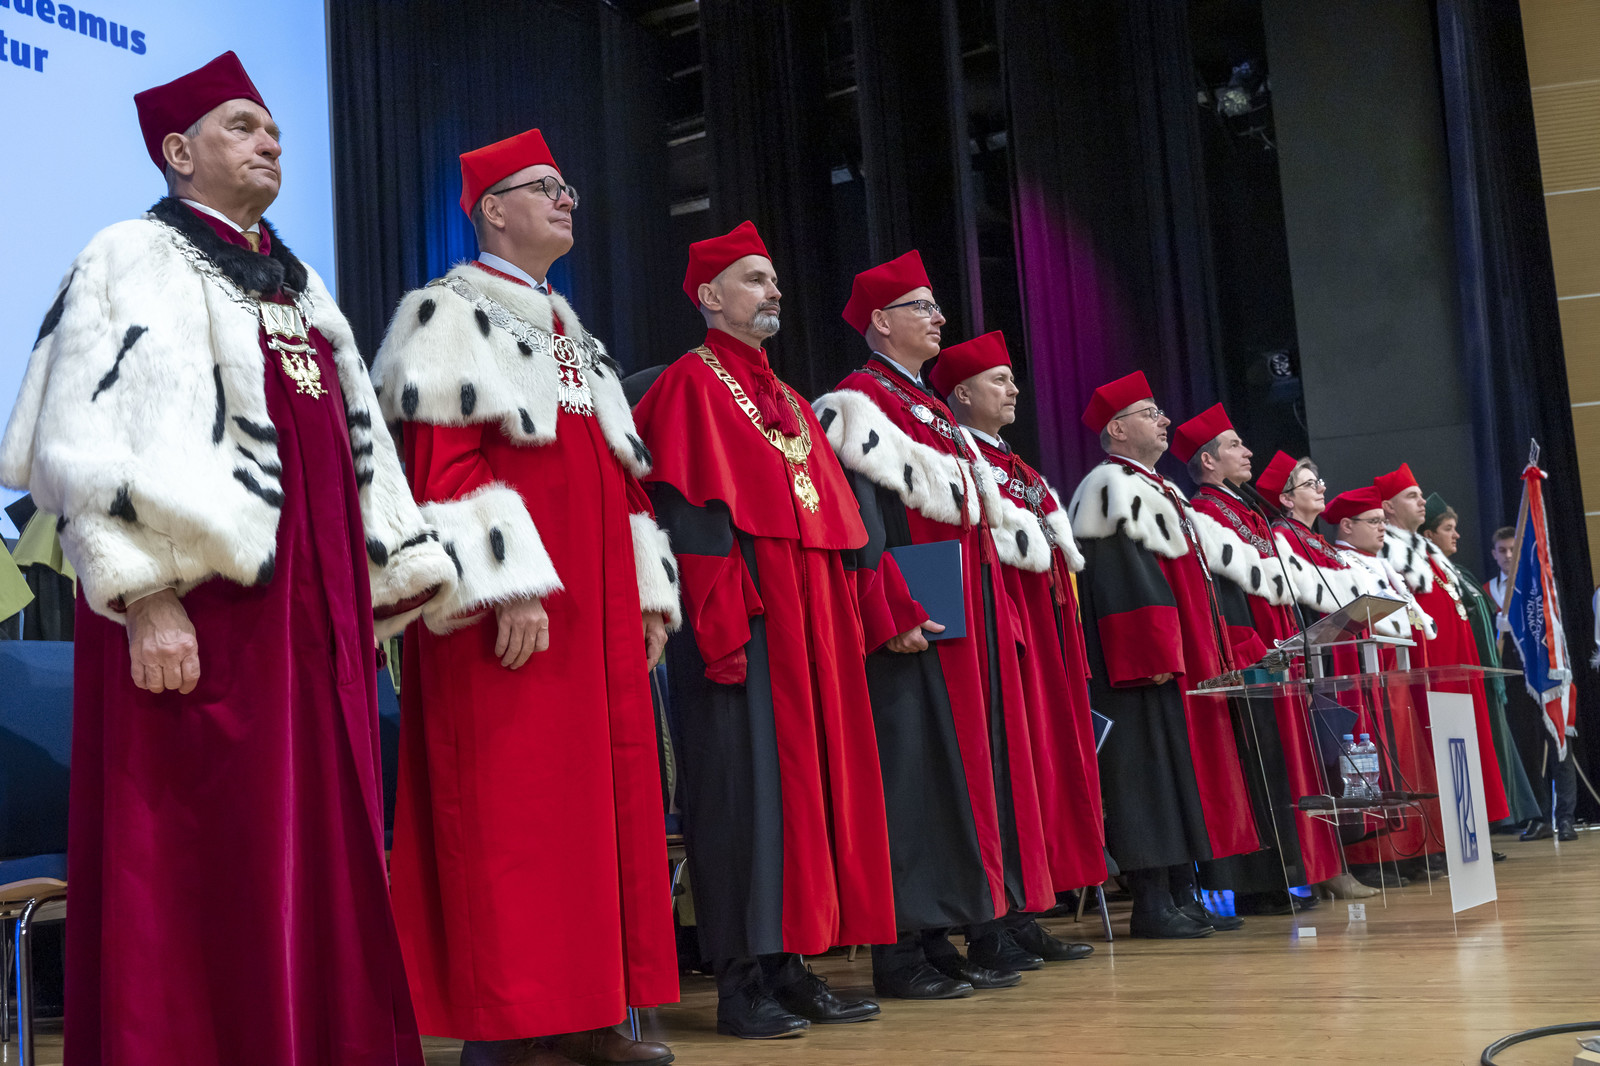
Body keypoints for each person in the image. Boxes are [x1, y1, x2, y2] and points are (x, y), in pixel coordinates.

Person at [0, 52, 456, 1065]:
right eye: (243, 127)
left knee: (322, 852)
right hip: (206, 622)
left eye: (275, 130)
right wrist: (145, 595)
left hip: (316, 625)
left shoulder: (300, 283)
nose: (271, 143)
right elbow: (78, 445)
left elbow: (359, 454)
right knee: (206, 860)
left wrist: (384, 587)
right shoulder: (129, 254)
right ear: (178, 151)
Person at [373, 128, 679, 1066]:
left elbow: (623, 476)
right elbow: (444, 469)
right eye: (545, 187)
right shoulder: (448, 312)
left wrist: (647, 593)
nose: (566, 199)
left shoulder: (573, 332)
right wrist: (506, 584)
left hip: (593, 616)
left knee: (595, 813)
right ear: (493, 210)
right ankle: (504, 1026)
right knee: (510, 813)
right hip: (507, 616)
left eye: (567, 186)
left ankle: (587, 1011)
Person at [632, 221, 896, 1039]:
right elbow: (693, 522)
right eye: (754, 278)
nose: (773, 289)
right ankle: (741, 981)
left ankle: (793, 965)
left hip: (808, 632)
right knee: (741, 801)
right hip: (742, 628)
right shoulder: (689, 384)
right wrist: (719, 631)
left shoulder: (789, 400)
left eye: (775, 279)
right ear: (710, 297)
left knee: (805, 799)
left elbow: (836, 528)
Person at [812, 251, 1053, 997]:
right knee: (911, 777)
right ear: (882, 322)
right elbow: (859, 519)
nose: (939, 317)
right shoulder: (859, 399)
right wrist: (887, 609)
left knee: (959, 775)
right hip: (911, 611)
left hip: (962, 611)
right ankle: (901, 952)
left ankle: (946, 931)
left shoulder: (931, 408)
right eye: (922, 306)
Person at [1066, 372, 1264, 938]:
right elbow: (1121, 577)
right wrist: (1152, 653)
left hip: (1181, 658)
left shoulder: (1161, 488)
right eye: (1150, 413)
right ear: (1117, 428)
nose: (1165, 420)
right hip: (1142, 663)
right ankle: (1152, 902)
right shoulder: (1108, 485)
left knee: (1180, 772)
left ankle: (1182, 891)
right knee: (1147, 773)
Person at [932, 330, 1102, 960]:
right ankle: (992, 922)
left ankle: (1026, 907)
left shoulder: (1018, 467)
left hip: (1043, 629)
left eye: (1011, 379)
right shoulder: (959, 460)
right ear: (962, 392)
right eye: (998, 380)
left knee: (1039, 769)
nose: (1013, 390)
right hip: (1002, 628)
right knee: (1006, 768)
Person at [1170, 409, 1342, 915]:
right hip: (1251, 657)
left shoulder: (1245, 511)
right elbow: (1222, 596)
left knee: (1282, 763)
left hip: (1279, 651)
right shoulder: (1207, 511)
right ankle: (1259, 884)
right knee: (1259, 764)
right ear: (1208, 460)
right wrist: (1248, 650)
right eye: (1234, 445)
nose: (1248, 452)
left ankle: (1291, 875)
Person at [1256, 454, 1381, 901]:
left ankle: (1342, 859)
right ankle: (1326, 865)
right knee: (1324, 763)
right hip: (1318, 664)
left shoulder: (1319, 541)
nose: (1321, 488)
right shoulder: (1284, 538)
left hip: (1343, 661)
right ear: (1287, 498)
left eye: (1320, 481)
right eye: (1310, 484)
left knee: (1344, 761)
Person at [1374, 465, 1510, 831]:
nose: (1422, 502)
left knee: (1468, 744)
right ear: (1388, 507)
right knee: (1438, 747)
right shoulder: (1387, 550)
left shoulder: (1425, 548)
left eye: (1420, 495)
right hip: (1431, 666)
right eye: (1412, 496)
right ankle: (1441, 833)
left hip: (1457, 663)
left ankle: (1470, 831)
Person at [1324, 487, 1442, 884]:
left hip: (1393, 670)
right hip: (1365, 673)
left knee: (1404, 758)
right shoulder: (1342, 561)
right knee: (1373, 762)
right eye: (1374, 522)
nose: (1381, 528)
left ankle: (1410, 848)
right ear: (1347, 525)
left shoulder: (1381, 564)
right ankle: (1374, 856)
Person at [1421, 497, 1542, 828]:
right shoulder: (1425, 574)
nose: (1457, 535)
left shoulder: (1459, 573)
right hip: (1462, 678)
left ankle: (1496, 822)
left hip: (1486, 677)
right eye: (1449, 529)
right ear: (1429, 535)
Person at [1483, 525, 1578, 840]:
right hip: (1512, 681)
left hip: (1545, 674)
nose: (1508, 555)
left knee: (1559, 744)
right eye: (1502, 550)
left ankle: (1566, 817)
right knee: (1527, 751)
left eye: (1513, 549)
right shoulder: (1488, 591)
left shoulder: (1538, 585)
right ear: (1494, 554)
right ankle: (1539, 817)